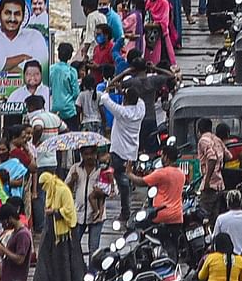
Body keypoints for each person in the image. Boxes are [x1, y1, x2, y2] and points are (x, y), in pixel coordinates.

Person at [127, 143, 186, 258]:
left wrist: (129, 174)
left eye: (162, 156)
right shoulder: (181, 173)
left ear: (167, 158)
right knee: (173, 244)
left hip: (161, 215)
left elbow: (141, 182)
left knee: (145, 234)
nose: (161, 158)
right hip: (177, 217)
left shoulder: (162, 173)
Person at [31, 172, 86, 281]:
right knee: (44, 254)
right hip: (50, 226)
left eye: (44, 184)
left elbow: (69, 210)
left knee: (63, 257)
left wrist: (55, 211)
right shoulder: (50, 191)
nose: (43, 187)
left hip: (63, 229)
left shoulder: (62, 190)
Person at [99, 83, 144, 222]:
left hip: (118, 152)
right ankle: (126, 208)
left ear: (125, 100)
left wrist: (108, 89)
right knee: (127, 180)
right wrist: (123, 91)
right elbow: (138, 98)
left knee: (122, 182)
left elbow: (105, 99)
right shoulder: (141, 109)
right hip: (132, 152)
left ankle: (125, 211)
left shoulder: (122, 112)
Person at [0, 0, 49, 74]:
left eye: (17, 14)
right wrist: (22, 57)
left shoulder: (35, 37)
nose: (12, 19)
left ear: (23, 17)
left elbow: (41, 64)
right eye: (7, 13)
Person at [66, 145, 106, 258]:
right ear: (81, 155)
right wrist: (72, 181)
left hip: (97, 216)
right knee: (74, 246)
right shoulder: (75, 168)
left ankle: (93, 273)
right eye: (86, 154)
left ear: (96, 154)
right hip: (78, 214)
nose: (89, 157)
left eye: (91, 154)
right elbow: (65, 189)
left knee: (94, 249)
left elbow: (113, 191)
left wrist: (101, 191)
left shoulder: (102, 170)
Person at [195, 117, 228, 222]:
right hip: (219, 184)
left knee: (203, 216)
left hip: (210, 185)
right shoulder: (217, 139)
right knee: (215, 217)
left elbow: (212, 158)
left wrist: (207, 181)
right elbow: (228, 155)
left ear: (198, 130)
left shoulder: (203, 141)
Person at [212, 189, 242, 254]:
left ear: (227, 203)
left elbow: (215, 238)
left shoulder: (221, 219)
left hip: (228, 258)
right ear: (241, 202)